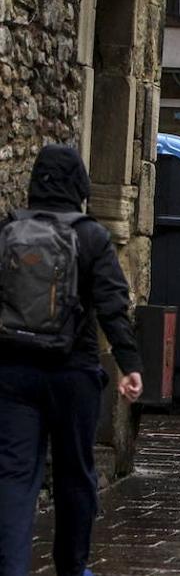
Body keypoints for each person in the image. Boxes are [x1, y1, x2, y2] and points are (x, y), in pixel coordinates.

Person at [0, 144, 144, 576]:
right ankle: (72, 567)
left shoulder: (8, 231)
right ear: (79, 184)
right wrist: (129, 363)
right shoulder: (92, 236)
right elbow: (112, 305)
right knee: (74, 475)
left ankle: (10, 567)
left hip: (12, 373)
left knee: (13, 476)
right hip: (73, 373)